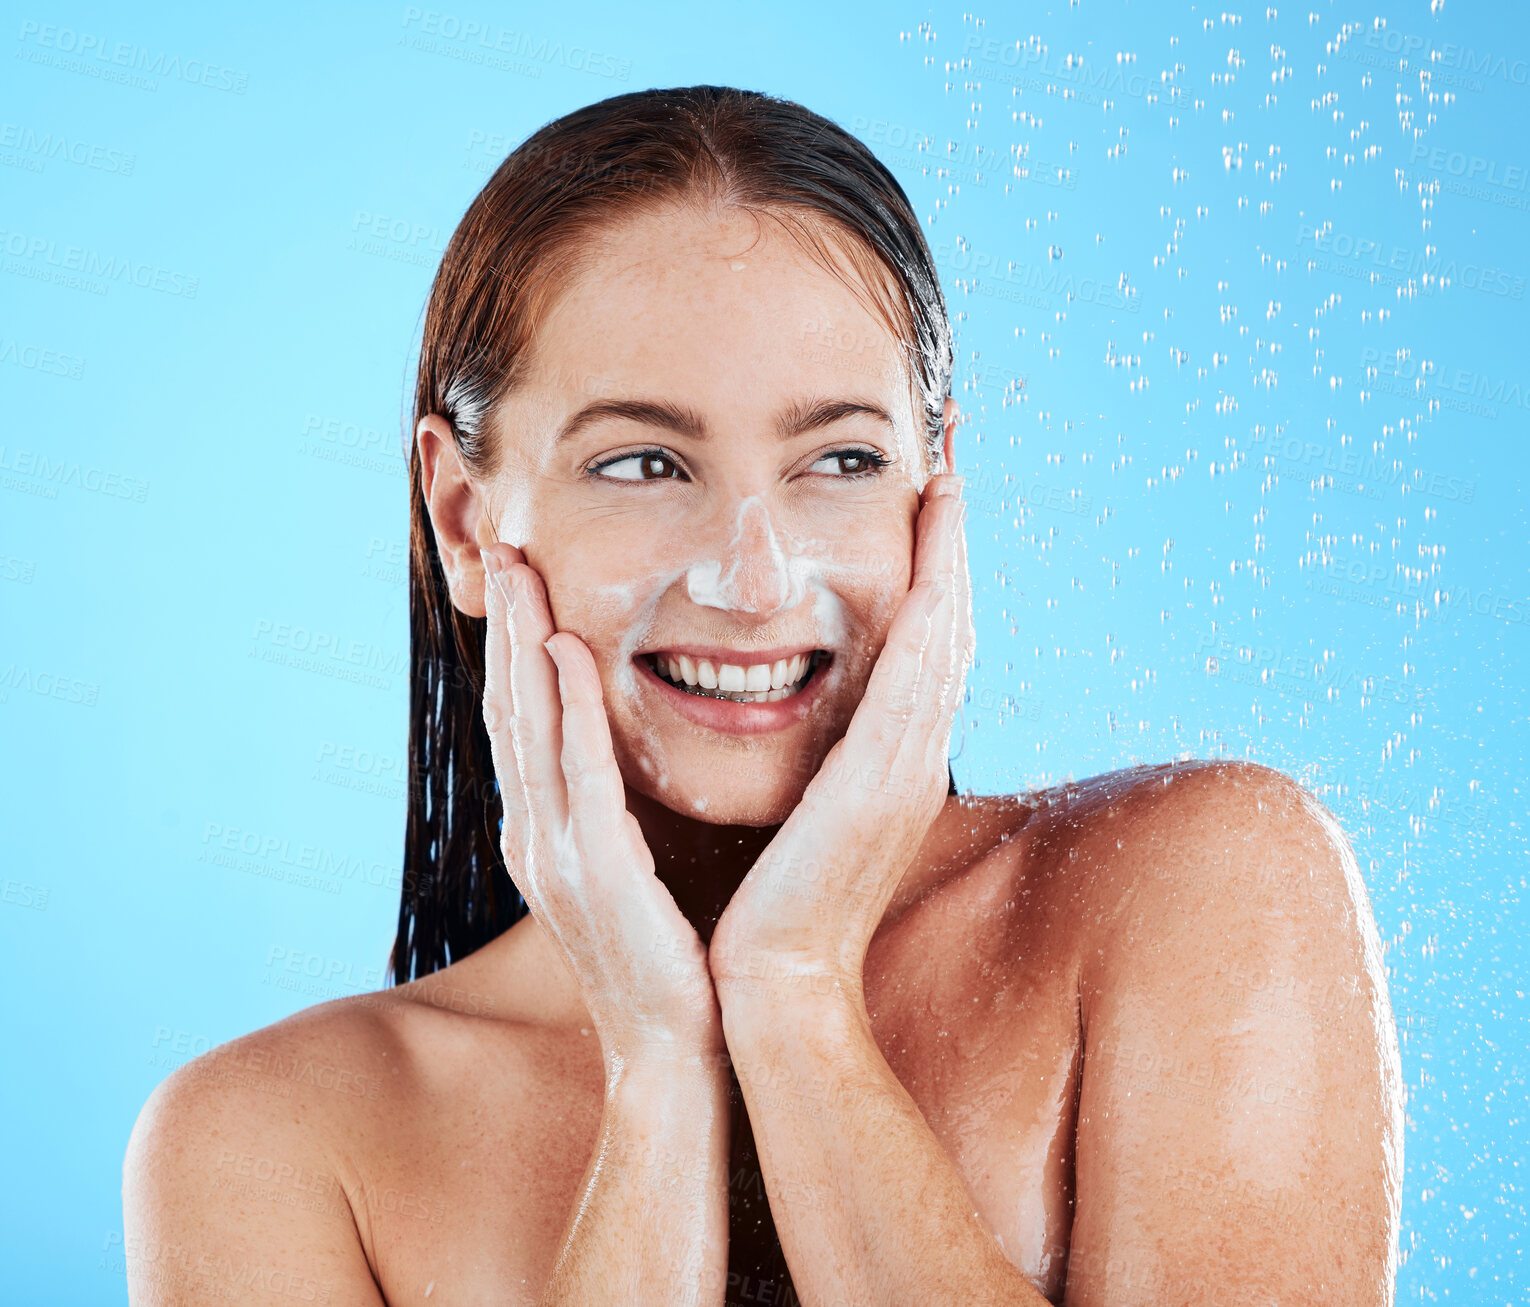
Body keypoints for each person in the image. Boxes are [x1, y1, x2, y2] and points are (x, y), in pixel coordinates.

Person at [123, 86, 1403, 1306]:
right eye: (642, 463)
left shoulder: (1193, 891)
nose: (753, 577)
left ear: (935, 487)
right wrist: (654, 1062)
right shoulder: (273, 1141)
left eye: (841, 458)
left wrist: (796, 998)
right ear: (465, 519)